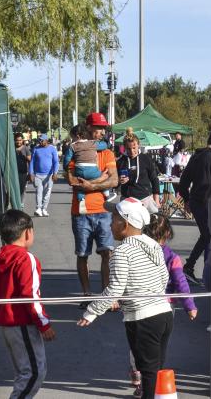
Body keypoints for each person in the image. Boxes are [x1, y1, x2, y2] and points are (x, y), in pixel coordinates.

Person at [77, 198, 171, 399]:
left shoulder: (121, 252)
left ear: (125, 224)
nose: (110, 223)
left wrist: (92, 311)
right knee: (155, 369)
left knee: (147, 372)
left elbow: (115, 289)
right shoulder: (154, 246)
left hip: (142, 317)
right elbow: (164, 277)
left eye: (114, 218)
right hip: (164, 314)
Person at [0, 210, 55, 399]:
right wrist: (44, 323)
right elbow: (30, 295)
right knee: (34, 372)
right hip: (22, 323)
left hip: (8, 326)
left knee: (24, 372)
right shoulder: (26, 258)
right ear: (28, 233)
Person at [126, 213, 197, 396]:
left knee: (138, 346)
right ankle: (149, 380)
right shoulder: (172, 257)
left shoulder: (134, 252)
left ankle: (138, 372)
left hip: (139, 305)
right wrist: (190, 305)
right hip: (164, 308)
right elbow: (181, 282)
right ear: (167, 234)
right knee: (157, 348)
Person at [66, 112, 118, 297]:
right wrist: (94, 183)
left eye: (103, 128)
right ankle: (87, 293)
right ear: (88, 128)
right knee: (82, 254)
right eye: (98, 128)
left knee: (107, 254)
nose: (102, 132)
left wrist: (91, 185)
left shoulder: (107, 152)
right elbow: (71, 178)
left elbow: (114, 181)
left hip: (103, 211)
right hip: (80, 213)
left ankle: (106, 294)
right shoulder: (77, 149)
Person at [179, 129, 211, 285]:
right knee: (210, 237)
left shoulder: (196, 157)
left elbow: (183, 183)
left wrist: (186, 200)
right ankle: (205, 273)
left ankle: (194, 267)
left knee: (207, 236)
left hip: (196, 202)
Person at [64, 124, 110, 213]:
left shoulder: (73, 146)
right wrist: (105, 142)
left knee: (80, 185)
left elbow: (67, 160)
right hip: (92, 170)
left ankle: (81, 200)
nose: (72, 140)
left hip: (79, 170)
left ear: (77, 136)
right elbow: (104, 145)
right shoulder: (92, 143)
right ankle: (106, 193)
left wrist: (67, 168)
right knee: (102, 177)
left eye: (72, 138)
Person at [117, 133, 160, 212]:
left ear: (138, 145)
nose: (132, 151)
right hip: (127, 200)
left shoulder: (146, 159)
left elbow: (154, 179)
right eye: (128, 149)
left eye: (134, 148)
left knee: (149, 223)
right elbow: (114, 182)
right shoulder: (121, 161)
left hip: (145, 199)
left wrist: (156, 199)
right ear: (125, 148)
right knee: (128, 224)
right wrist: (119, 180)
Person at [28, 135, 58, 217]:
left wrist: (55, 173)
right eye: (39, 140)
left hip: (49, 175)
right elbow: (32, 162)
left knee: (47, 193)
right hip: (37, 175)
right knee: (39, 191)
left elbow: (56, 162)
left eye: (42, 140)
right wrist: (31, 173)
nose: (40, 142)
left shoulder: (52, 149)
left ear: (46, 140)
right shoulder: (36, 149)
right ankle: (38, 208)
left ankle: (44, 209)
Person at [14, 133, 32, 199]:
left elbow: (30, 161)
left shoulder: (26, 149)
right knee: (14, 190)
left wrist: (30, 173)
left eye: (20, 140)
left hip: (23, 173)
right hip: (13, 173)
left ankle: (20, 204)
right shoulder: (11, 148)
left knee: (21, 189)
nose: (18, 142)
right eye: (17, 140)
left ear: (22, 140)